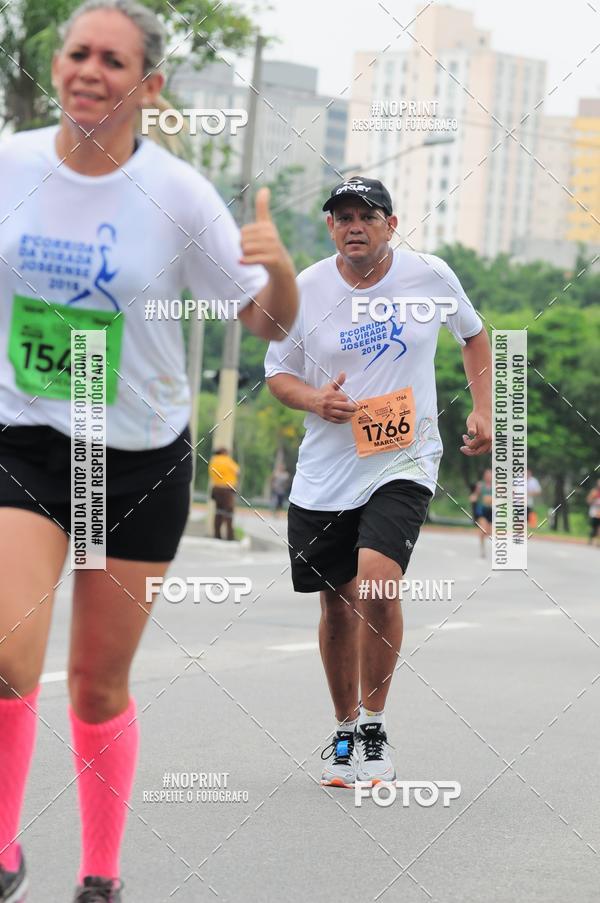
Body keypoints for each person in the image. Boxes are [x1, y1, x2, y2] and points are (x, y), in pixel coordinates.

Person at [0, 1, 298, 900]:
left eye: (114, 61)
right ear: (57, 67)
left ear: (150, 86)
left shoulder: (176, 194)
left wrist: (279, 265)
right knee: (8, 654)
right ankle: (3, 850)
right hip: (28, 439)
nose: (90, 70)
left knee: (95, 685)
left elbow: (267, 317)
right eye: (78, 53)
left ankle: (100, 874)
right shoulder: (10, 162)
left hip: (136, 459)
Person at [265, 176, 491, 789]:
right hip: (326, 471)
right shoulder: (305, 289)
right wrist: (315, 399)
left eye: (366, 214)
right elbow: (278, 373)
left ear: (392, 223)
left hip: (405, 457)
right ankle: (342, 731)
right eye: (341, 216)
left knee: (376, 585)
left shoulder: (430, 275)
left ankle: (373, 725)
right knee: (335, 606)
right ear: (330, 227)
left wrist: (485, 408)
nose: (353, 225)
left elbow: (473, 335)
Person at [208, 447, 239, 540]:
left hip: (216, 489)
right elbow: (237, 471)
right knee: (229, 512)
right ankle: (230, 536)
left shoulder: (213, 461)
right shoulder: (227, 460)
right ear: (223, 452)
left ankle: (217, 534)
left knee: (219, 511)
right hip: (227, 489)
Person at [470, 469, 493, 558]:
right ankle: (482, 550)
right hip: (482, 511)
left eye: (490, 475)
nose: (488, 477)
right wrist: (473, 497)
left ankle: (483, 539)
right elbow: (475, 494)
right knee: (483, 529)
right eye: (487, 475)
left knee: (489, 532)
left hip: (491, 511)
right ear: (484, 476)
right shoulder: (480, 485)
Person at [587, 479, 600, 546]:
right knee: (593, 527)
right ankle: (591, 540)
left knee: (599, 528)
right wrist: (594, 500)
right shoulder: (594, 492)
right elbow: (589, 500)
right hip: (594, 512)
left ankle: (598, 542)